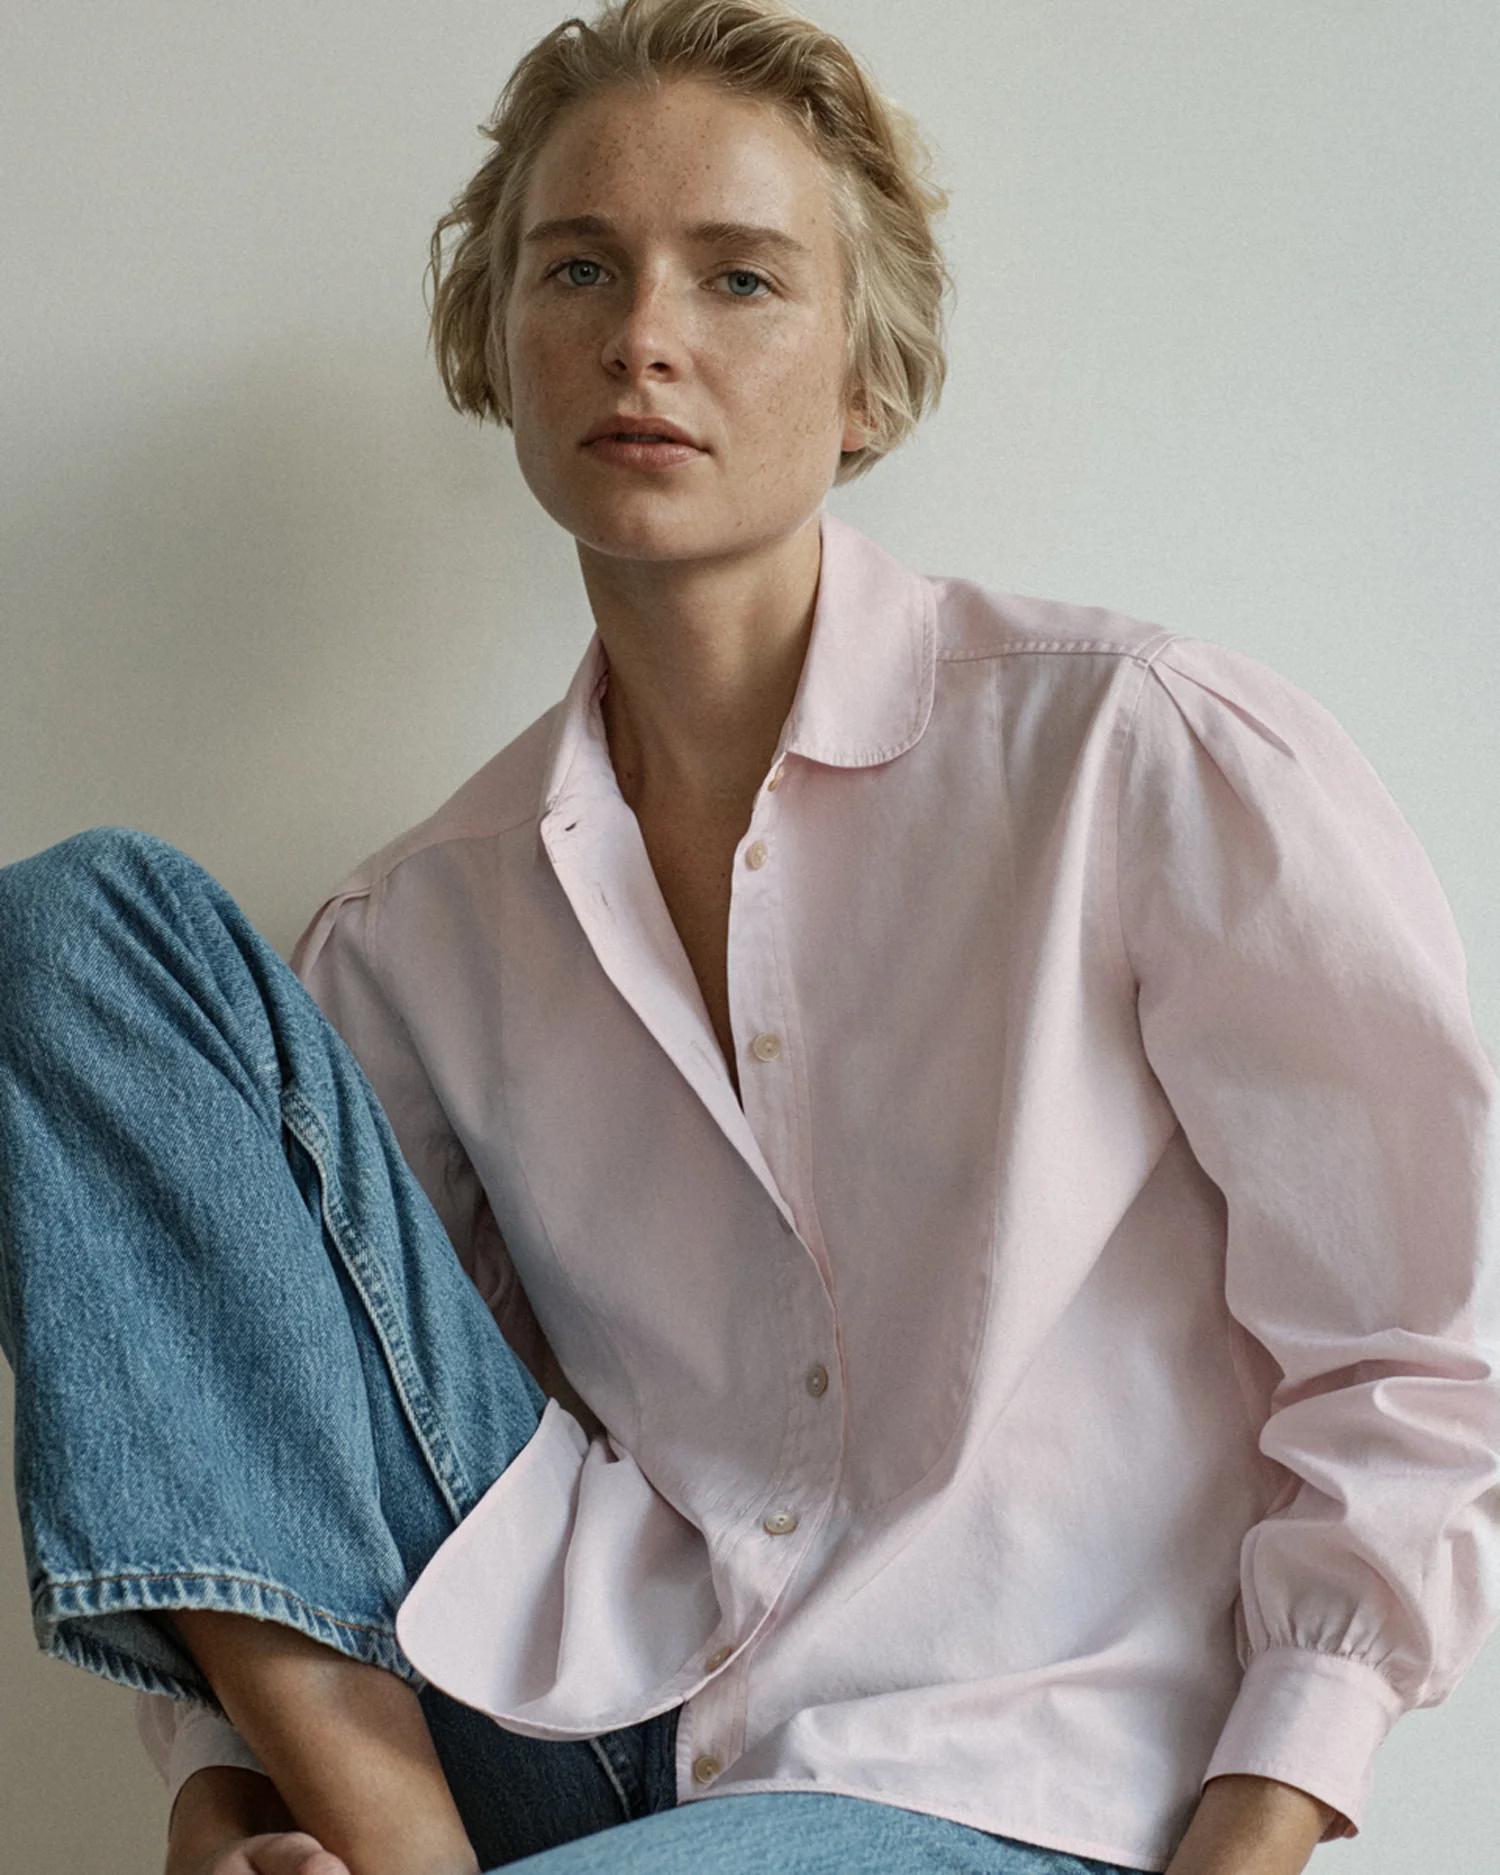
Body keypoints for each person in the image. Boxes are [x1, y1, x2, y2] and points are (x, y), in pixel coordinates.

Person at [2, 2, 1497, 1873]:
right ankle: (386, 1838)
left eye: (739, 278)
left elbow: (1403, 1376)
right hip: (573, 1728)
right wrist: (227, 1806)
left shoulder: (1139, 754)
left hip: (999, 1781)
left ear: (865, 377)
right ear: (498, 343)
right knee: (78, 932)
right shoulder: (415, 928)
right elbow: (264, 1405)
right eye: (578, 266)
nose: (645, 334)